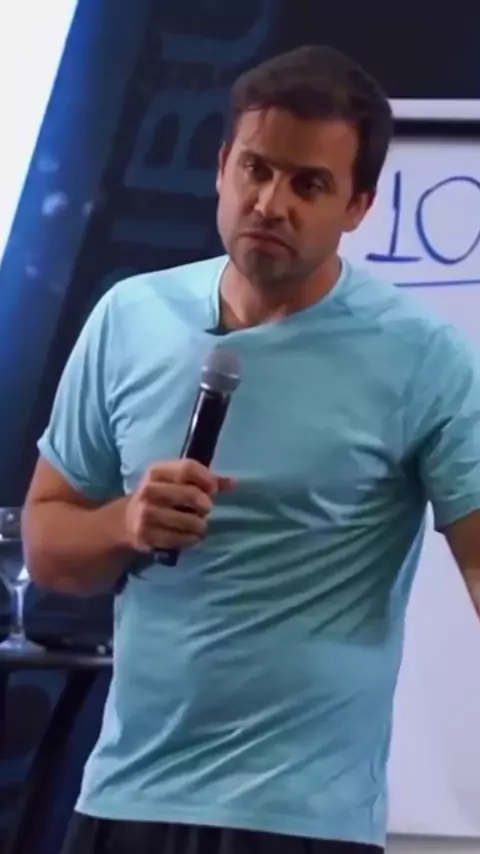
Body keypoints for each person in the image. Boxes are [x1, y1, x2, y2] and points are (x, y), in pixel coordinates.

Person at [22, 44, 480, 854]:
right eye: (256, 170)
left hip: (301, 816)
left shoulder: (422, 356)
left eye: (309, 184)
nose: (271, 202)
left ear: (358, 206)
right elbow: (50, 547)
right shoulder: (130, 317)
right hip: (128, 791)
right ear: (221, 167)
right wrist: (125, 522)